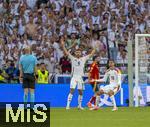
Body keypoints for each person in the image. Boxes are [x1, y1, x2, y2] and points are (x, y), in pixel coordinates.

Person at [61, 37, 96, 110]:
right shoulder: (72, 58)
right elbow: (66, 52)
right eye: (76, 52)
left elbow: (92, 53)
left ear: (81, 53)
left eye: (79, 52)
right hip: (74, 77)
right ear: (75, 53)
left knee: (81, 92)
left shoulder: (84, 58)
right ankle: (67, 105)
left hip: (80, 77)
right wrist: (63, 45)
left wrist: (92, 46)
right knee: (72, 90)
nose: (78, 53)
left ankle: (79, 105)